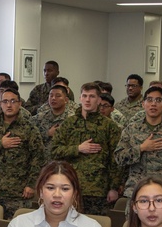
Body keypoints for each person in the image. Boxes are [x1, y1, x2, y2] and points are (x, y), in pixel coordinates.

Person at [50, 82, 123, 216]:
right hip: (71, 186)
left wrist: (114, 188)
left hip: (98, 189)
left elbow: (116, 159)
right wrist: (77, 148)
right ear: (80, 98)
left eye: (92, 96)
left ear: (99, 100)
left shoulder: (109, 126)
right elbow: (54, 151)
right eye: (85, 96)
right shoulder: (69, 124)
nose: (88, 100)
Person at [115, 85, 162, 209]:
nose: (153, 104)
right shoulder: (131, 129)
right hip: (136, 192)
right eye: (149, 100)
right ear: (143, 104)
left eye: (158, 100)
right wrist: (141, 148)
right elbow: (119, 158)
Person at [0, 87, 45, 218]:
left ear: (20, 104)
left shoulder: (29, 128)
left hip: (18, 192)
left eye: (13, 101)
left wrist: (31, 185)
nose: (9, 105)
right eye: (5, 101)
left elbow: (38, 157)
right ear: (0, 104)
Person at [33, 83, 76, 153]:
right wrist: (47, 133)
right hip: (42, 159)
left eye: (58, 96)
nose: (53, 98)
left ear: (66, 100)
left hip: (63, 159)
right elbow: (30, 136)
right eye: (51, 96)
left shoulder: (72, 119)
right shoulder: (39, 117)